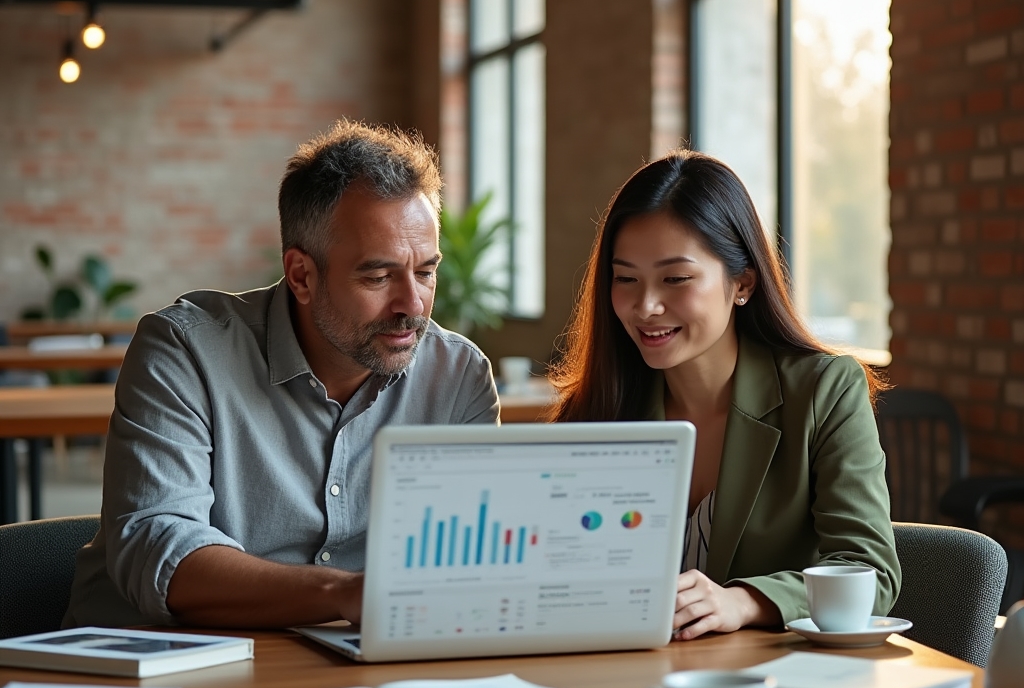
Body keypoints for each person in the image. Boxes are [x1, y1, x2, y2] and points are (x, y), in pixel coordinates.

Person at [65, 119, 499, 629]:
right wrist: (344, 593)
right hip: (159, 662)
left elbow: (467, 558)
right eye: (378, 276)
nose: (412, 304)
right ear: (301, 276)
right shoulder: (185, 351)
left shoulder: (458, 377)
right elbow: (158, 545)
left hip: (347, 669)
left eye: (425, 272)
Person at [550, 150, 900, 640]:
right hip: (623, 683)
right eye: (626, 278)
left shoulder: (825, 392)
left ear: (742, 283)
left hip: (773, 687)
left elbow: (870, 572)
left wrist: (744, 601)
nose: (646, 306)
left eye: (676, 279)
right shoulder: (594, 410)